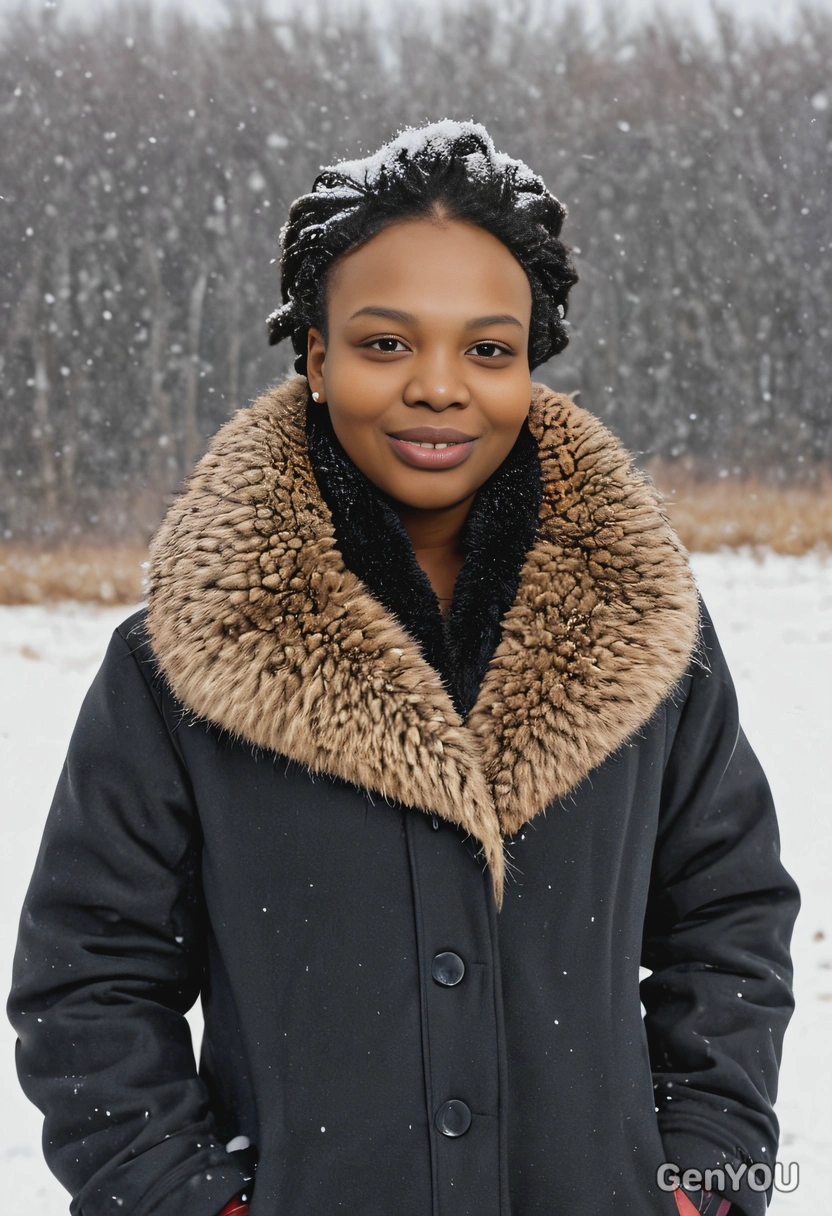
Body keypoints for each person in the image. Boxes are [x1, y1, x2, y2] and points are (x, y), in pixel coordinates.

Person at [7, 120, 799, 1216]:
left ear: (531, 365)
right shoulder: (176, 665)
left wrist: (703, 1172)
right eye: (385, 343)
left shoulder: (653, 639)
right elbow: (89, 981)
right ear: (315, 356)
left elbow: (728, 924)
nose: (438, 386)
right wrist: (188, 1201)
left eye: (488, 349)